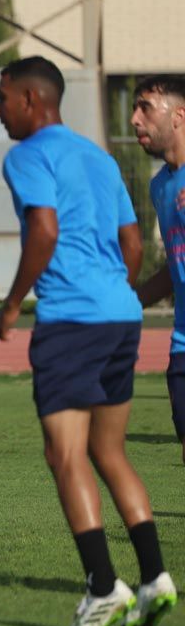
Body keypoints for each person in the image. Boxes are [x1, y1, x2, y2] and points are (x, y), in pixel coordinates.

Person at [0, 56, 175, 626]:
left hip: (71, 321)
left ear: (28, 99)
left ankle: (102, 586)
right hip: (121, 319)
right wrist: (112, 293)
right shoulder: (99, 157)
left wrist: (13, 302)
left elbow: (43, 230)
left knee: (63, 454)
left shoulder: (25, 154)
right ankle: (154, 576)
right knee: (108, 451)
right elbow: (130, 242)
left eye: (1, 99)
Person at [132, 75, 185, 466]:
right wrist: (125, 305)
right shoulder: (160, 186)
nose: (134, 119)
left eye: (145, 108)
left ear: (178, 116)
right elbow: (176, 267)